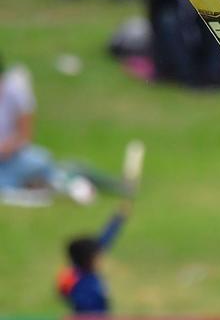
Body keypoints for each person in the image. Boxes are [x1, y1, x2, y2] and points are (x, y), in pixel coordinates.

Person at [0, 58, 95, 205]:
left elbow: (25, 136)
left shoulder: (15, 93)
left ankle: (64, 179)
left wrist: (6, 148)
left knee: (39, 161)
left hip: (14, 157)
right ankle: (38, 183)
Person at [57, 196, 134, 314]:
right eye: (97, 257)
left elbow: (104, 241)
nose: (101, 259)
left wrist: (119, 218)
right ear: (88, 260)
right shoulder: (84, 286)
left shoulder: (80, 272)